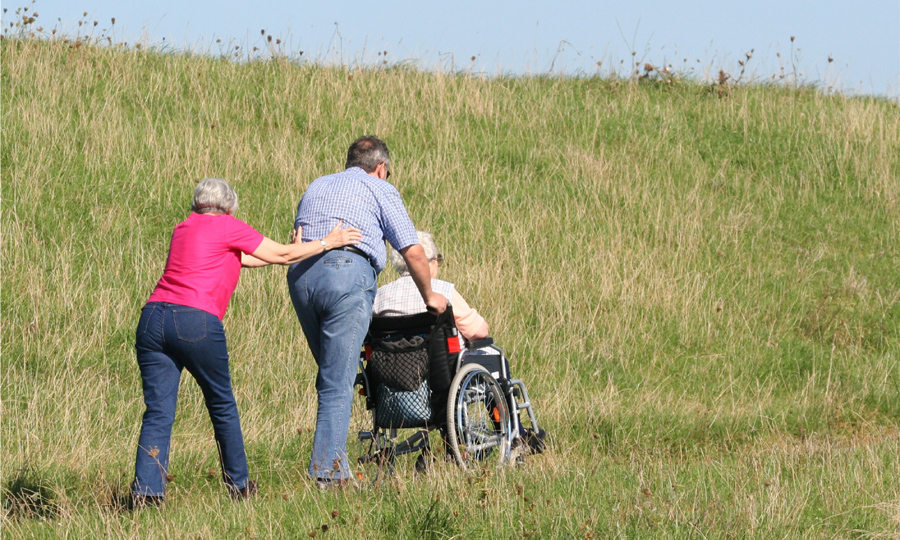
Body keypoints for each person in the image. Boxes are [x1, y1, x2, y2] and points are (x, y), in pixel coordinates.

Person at [132, 177, 362, 507]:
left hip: (153, 319)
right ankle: (239, 486)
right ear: (229, 207)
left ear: (198, 203)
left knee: (158, 412)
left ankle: (147, 494)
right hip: (195, 320)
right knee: (222, 405)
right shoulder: (228, 226)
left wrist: (296, 251)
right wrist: (329, 241)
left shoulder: (183, 228)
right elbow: (280, 255)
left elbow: (245, 258)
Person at [287, 136, 448, 488]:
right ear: (381, 168)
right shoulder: (379, 188)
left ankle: (333, 461)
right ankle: (330, 474)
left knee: (331, 374)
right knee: (337, 381)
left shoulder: (318, 184)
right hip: (346, 273)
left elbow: (298, 239)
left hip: (300, 279)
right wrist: (430, 296)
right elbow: (414, 252)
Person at [373, 231, 546, 454]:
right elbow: (478, 331)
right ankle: (516, 433)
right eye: (438, 260)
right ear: (426, 262)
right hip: (443, 377)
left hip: (396, 377)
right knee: (496, 358)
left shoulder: (379, 296)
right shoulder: (442, 292)